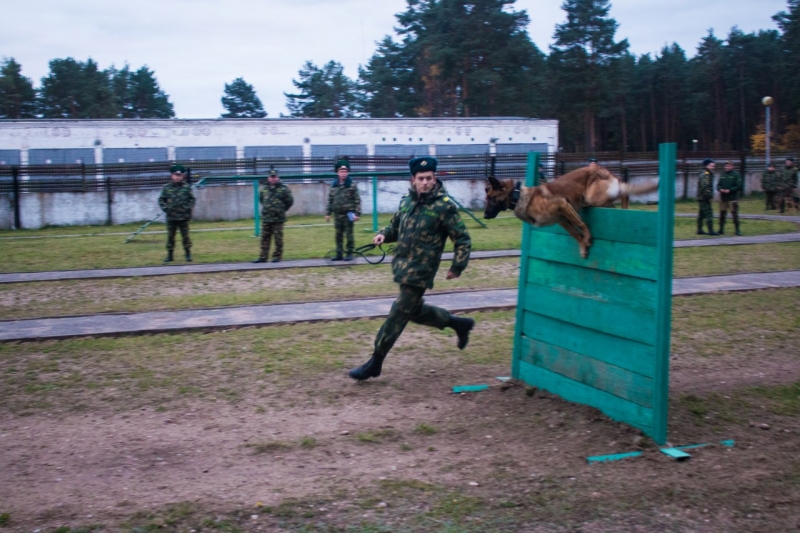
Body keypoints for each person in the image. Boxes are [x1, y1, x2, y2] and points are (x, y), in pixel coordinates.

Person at [348, 156, 474, 381]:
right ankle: (457, 323)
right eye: (420, 178)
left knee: (398, 313)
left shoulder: (444, 206)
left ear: (435, 179)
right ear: (413, 180)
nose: (425, 182)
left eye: (429, 178)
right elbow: (396, 226)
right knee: (414, 312)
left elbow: (462, 238)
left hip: (421, 272)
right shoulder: (406, 201)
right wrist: (383, 235)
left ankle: (375, 362)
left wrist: (458, 265)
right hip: (403, 267)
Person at [253, 169, 294, 263]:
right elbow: (262, 200)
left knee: (278, 239)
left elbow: (290, 201)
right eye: (271, 177)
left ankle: (277, 256)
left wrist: (281, 210)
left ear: (278, 177)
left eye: (275, 177)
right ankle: (263, 257)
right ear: (268, 178)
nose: (273, 179)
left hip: (278, 218)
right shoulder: (264, 189)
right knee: (265, 239)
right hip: (267, 218)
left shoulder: (284, 188)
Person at [158, 164, 196, 262]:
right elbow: (161, 200)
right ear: (172, 176)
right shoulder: (166, 188)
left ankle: (188, 254)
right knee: (170, 237)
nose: (177, 177)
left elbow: (192, 199)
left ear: (182, 176)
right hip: (171, 217)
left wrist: (188, 208)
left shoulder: (187, 187)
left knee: (185, 237)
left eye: (179, 175)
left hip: (184, 217)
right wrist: (166, 209)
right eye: (175, 175)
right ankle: (170, 255)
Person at [325, 159, 361, 261]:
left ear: (348, 172)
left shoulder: (352, 185)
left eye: (345, 171)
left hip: (349, 214)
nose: (343, 173)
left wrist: (357, 213)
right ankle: (339, 254)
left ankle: (349, 253)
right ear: (337, 172)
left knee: (349, 235)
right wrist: (328, 213)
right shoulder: (334, 185)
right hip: (337, 215)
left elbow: (357, 200)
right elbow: (330, 200)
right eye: (341, 171)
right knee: (338, 235)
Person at [716, 161, 742, 235]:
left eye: (729, 166)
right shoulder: (722, 174)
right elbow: (718, 185)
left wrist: (730, 190)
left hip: (732, 198)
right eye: (726, 166)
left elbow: (739, 186)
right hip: (723, 198)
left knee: (734, 214)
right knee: (722, 214)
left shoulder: (736, 175)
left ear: (732, 166)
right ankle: (721, 229)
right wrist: (720, 189)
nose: (727, 167)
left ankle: (737, 230)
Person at [696, 158, 719, 235]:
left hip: (701, 197)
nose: (713, 168)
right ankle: (710, 230)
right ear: (707, 166)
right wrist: (709, 197)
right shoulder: (706, 174)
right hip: (704, 198)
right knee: (709, 213)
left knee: (701, 214)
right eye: (712, 166)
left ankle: (699, 229)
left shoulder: (705, 173)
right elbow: (705, 187)